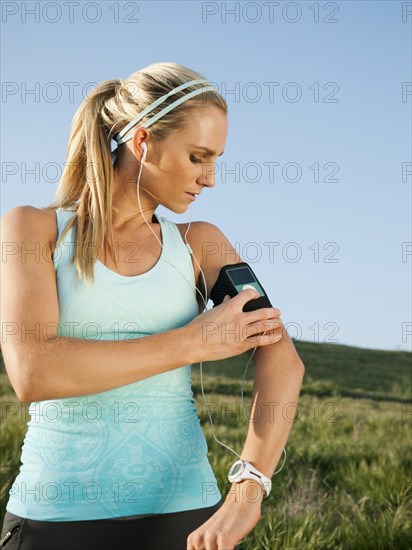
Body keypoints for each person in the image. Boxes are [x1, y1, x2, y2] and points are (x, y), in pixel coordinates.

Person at [0, 62, 305, 550]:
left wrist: (248, 491)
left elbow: (282, 358)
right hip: (55, 516)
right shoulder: (33, 231)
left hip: (185, 518)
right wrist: (193, 342)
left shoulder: (201, 245)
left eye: (216, 159)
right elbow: (34, 372)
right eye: (198, 157)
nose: (210, 179)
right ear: (143, 142)